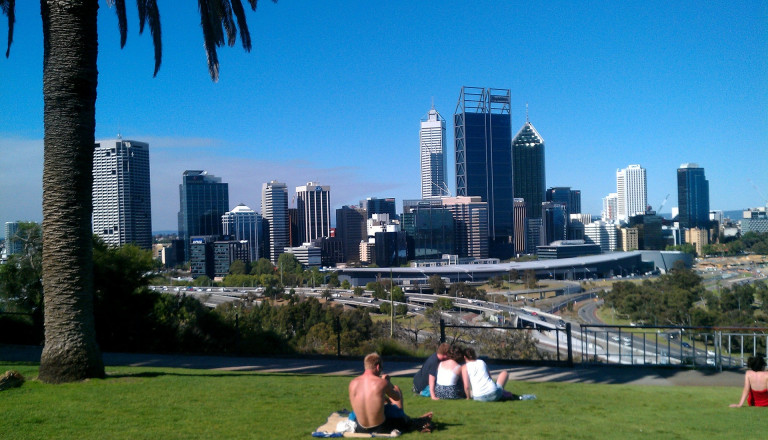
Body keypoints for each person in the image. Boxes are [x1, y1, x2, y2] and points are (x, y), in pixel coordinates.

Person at [349, 353, 433, 434]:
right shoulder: (382, 383)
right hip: (381, 427)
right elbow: (397, 398)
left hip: (361, 428)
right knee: (396, 391)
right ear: (378, 367)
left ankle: (411, 420)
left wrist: (382, 397)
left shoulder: (352, 383)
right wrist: (388, 383)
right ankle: (412, 420)